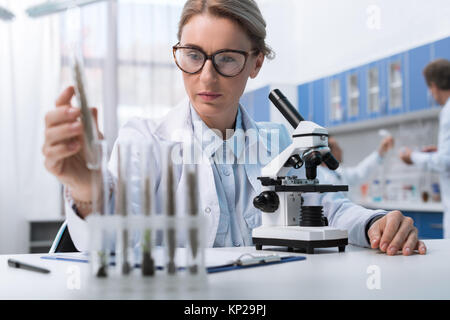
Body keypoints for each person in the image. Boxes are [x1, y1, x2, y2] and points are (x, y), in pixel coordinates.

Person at [42, 0, 426, 256]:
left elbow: (328, 209)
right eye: (193, 55)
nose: (206, 77)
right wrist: (87, 192)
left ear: (256, 63)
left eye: (226, 59)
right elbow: (113, 242)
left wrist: (377, 223)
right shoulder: (144, 139)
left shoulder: (277, 142)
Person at [400, 58, 450, 238]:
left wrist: (412, 156)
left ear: (434, 86)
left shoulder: (447, 112)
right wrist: (440, 150)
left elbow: (444, 163)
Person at [320, 135, 394, 189]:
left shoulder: (338, 173)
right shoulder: (323, 178)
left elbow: (360, 172)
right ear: (327, 153)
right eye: (337, 147)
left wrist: (381, 151)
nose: (341, 150)